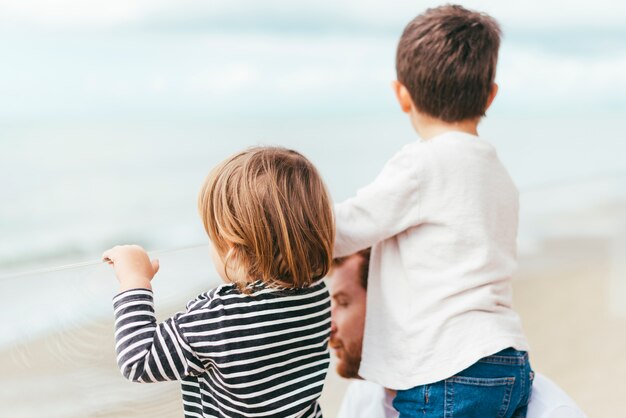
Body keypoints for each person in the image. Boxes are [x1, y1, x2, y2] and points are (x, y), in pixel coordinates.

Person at [333, 5, 533, 416]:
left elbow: (348, 228)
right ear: (491, 94)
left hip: (447, 368)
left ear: (401, 94)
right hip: (508, 359)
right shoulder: (499, 175)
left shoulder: (420, 165)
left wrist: (277, 222)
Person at [103, 147, 334, 417]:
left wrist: (134, 279)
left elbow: (137, 360)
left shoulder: (218, 320)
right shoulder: (316, 295)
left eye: (212, 238)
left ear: (234, 253)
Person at [329, 252, 587, 418]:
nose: (330, 324)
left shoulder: (550, 412)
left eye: (342, 302)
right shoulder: (364, 397)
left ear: (390, 309)